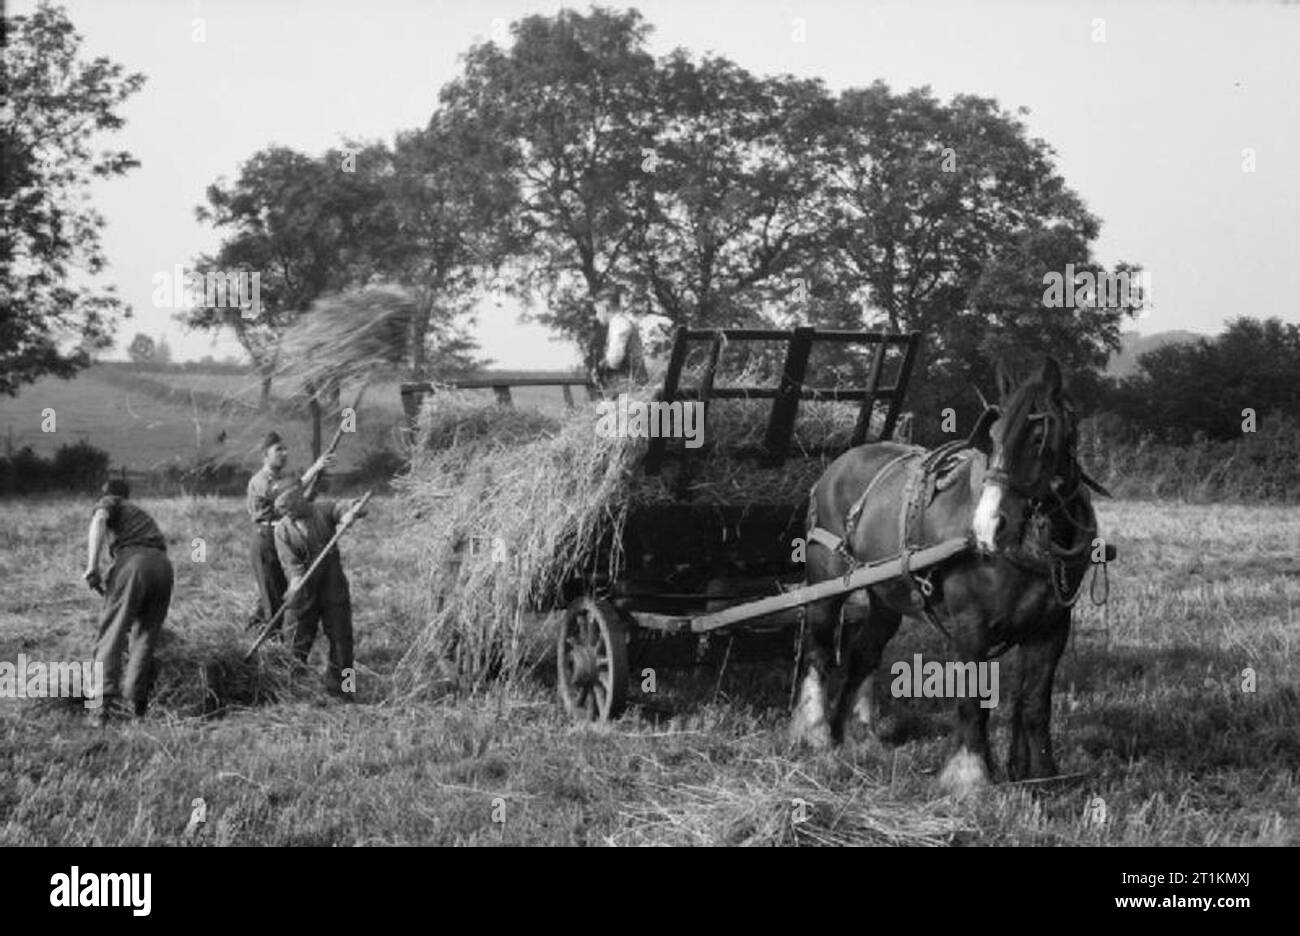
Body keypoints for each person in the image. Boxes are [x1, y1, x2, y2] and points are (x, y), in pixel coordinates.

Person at [82, 479, 173, 725]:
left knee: (112, 632)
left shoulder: (110, 502)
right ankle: (136, 706)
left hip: (134, 562)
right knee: (145, 634)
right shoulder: (139, 513)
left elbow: (99, 520)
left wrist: (92, 566)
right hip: (163, 566)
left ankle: (99, 707)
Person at [272, 483, 368, 699]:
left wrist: (350, 515)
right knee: (295, 639)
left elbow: (348, 507)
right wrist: (296, 583)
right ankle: (291, 688)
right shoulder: (282, 530)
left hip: (333, 587)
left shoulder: (322, 510)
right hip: (303, 589)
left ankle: (346, 689)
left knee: (342, 640)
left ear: (300, 499)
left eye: (289, 507)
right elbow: (290, 563)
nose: (286, 513)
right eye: (282, 510)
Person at [246, 432, 334, 633]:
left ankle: (268, 632)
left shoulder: (286, 478)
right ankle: (269, 648)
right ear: (264, 456)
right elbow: (282, 496)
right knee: (272, 598)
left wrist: (316, 484)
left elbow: (298, 501)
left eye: (285, 449)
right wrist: (314, 469)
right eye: (278, 450)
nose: (285, 453)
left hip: (284, 540)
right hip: (266, 540)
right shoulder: (259, 481)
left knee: (286, 592)